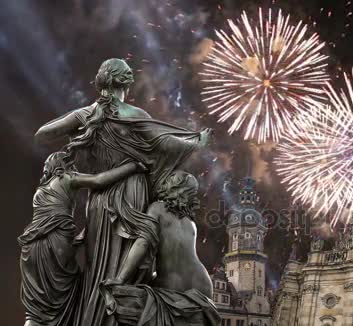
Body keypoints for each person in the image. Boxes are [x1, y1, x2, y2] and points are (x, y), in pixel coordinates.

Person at [34, 58, 211, 326]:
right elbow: (168, 146)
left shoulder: (86, 115)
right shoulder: (137, 116)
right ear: (126, 83)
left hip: (99, 198)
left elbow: (43, 134)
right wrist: (197, 142)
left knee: (97, 266)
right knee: (132, 265)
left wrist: (80, 124)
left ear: (101, 82)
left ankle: (93, 319)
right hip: (134, 193)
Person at [19, 151, 146, 326]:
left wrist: (79, 237)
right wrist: (133, 166)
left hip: (31, 249)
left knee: (37, 310)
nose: (74, 165)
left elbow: (50, 221)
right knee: (65, 297)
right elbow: (99, 180)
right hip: (55, 244)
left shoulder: (40, 190)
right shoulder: (67, 177)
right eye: (69, 162)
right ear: (62, 165)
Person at [100, 171, 219, 326]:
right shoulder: (190, 222)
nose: (166, 181)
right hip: (204, 287)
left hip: (174, 286)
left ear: (175, 187)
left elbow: (143, 243)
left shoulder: (157, 208)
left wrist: (120, 278)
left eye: (170, 180)